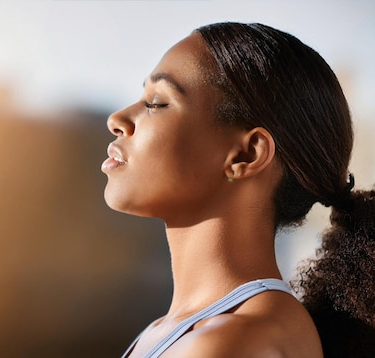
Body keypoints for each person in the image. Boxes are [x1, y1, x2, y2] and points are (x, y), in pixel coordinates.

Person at [101, 22, 375, 357]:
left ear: (247, 154)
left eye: (157, 102)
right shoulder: (171, 331)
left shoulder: (239, 341)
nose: (117, 119)